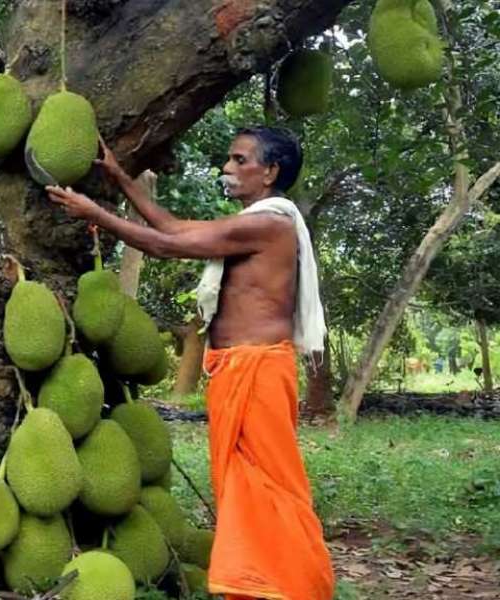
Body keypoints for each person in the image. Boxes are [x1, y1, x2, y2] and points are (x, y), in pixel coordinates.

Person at [46, 127, 335, 600]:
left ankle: (299, 586)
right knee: (243, 487)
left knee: (274, 488)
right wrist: (121, 181)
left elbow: (167, 245)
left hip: (258, 370)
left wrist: (95, 212)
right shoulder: (252, 222)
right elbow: (175, 228)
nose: (227, 167)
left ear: (271, 172)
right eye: (229, 159)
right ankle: (256, 586)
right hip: (235, 370)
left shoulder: (270, 224)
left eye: (239, 160)